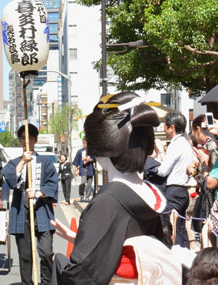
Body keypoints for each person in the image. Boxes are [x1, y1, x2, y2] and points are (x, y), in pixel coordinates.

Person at [50, 92, 170, 284]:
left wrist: (60, 263)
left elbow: (83, 275)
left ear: (100, 147)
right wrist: (77, 238)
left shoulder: (107, 202)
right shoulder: (150, 193)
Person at [2, 123, 58, 285]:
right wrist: (23, 163)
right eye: (22, 138)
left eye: (30, 138)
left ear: (35, 140)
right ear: (19, 141)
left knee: (46, 252)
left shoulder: (46, 162)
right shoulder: (14, 162)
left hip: (41, 211)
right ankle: (27, 282)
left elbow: (52, 184)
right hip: (22, 212)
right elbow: (10, 180)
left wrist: (39, 193)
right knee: (26, 255)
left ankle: (47, 282)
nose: (26, 142)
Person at [154, 111, 194, 248]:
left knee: (172, 230)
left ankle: (177, 265)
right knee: (181, 230)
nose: (164, 129)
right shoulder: (185, 143)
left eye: (165, 126)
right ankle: (187, 267)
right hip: (182, 191)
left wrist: (153, 168)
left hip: (173, 191)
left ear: (172, 127)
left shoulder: (175, 144)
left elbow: (163, 170)